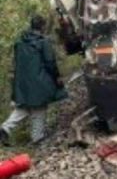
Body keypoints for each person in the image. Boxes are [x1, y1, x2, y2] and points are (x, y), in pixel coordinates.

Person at [0, 15, 67, 145]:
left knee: (24, 106)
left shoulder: (20, 43)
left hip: (22, 82)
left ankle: (5, 128)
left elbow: (17, 63)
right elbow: (50, 62)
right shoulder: (43, 42)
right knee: (39, 107)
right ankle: (37, 137)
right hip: (39, 81)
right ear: (42, 26)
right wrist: (57, 77)